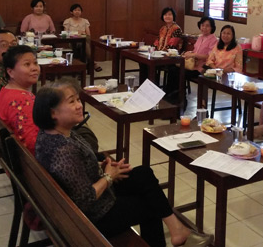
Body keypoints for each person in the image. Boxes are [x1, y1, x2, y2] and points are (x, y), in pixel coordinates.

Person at [33, 80, 213, 247]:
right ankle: (177, 232)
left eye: (78, 100)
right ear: (53, 113)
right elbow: (85, 199)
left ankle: (177, 230)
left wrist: (100, 166)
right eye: (71, 102)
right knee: (150, 206)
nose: (79, 105)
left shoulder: (52, 134)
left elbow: (74, 173)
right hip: (93, 216)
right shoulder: (63, 150)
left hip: (80, 203)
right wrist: (108, 177)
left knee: (143, 174)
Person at [0, 45, 40, 153]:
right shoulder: (22, 101)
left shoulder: (6, 90)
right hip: (30, 160)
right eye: (27, 64)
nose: (34, 68)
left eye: (35, 63)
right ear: (10, 72)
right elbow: (32, 143)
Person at [63, 3, 101, 72]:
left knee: (84, 43)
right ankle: (93, 63)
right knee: (85, 45)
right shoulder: (68, 21)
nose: (77, 12)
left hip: (84, 39)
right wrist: (77, 33)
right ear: (71, 12)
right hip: (72, 41)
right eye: (75, 10)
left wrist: (82, 34)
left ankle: (84, 68)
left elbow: (88, 34)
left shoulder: (85, 21)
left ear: (81, 12)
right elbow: (65, 34)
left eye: (79, 10)